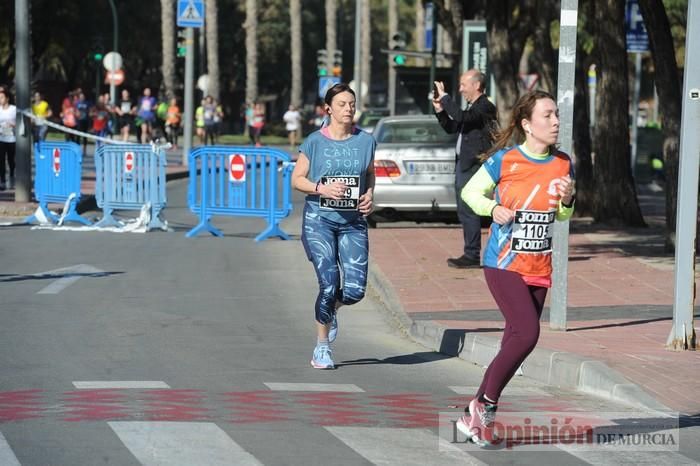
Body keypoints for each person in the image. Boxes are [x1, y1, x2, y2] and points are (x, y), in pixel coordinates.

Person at [454, 90, 575, 447]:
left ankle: (471, 415)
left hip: (539, 264)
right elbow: (470, 193)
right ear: (527, 124)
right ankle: (486, 406)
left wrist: (568, 200)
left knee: (515, 339)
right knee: (528, 333)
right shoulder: (506, 160)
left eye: (556, 115)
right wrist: (494, 210)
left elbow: (562, 214)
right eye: (548, 116)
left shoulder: (563, 163)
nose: (555, 122)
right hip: (503, 263)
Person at [291, 83, 376, 370]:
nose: (348, 109)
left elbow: (369, 174)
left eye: (351, 104)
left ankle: (331, 311)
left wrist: (369, 196)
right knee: (329, 285)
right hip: (319, 220)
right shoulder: (315, 141)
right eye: (341, 104)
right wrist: (321, 188)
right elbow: (297, 178)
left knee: (354, 291)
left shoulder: (366, 141)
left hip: (353, 222)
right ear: (328, 108)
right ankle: (322, 348)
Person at [433, 69, 497, 269]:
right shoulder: (471, 108)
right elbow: (453, 127)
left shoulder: (485, 106)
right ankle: (471, 252)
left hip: (474, 166)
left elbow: (462, 117)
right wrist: (440, 111)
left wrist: (445, 98)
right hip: (463, 164)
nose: (460, 89)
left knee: (469, 209)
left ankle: (472, 255)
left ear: (476, 85)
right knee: (464, 210)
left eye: (463, 85)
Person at [0, 86, 16, 191]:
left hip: (12, 138)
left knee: (11, 160)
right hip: (1, 138)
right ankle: (2, 181)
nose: (0, 100)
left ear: (7, 98)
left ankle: (11, 177)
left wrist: (13, 124)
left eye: (1, 97)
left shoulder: (13, 109)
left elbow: (20, 122)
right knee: (1, 160)